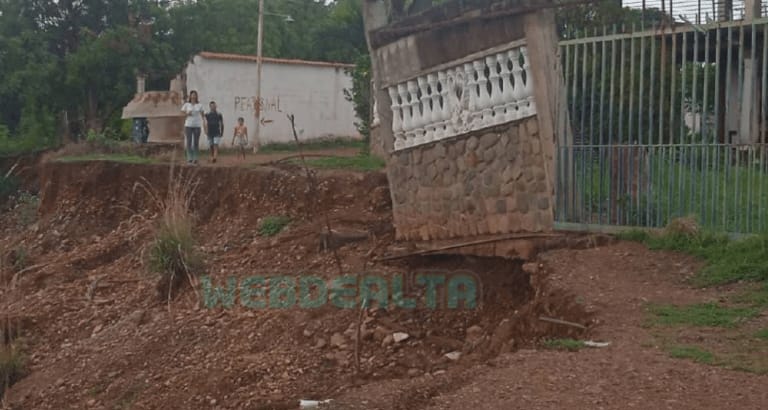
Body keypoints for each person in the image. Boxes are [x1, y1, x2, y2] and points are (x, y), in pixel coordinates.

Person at [181, 90, 204, 165]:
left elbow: (202, 115)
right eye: (192, 95)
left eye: (195, 95)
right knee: (189, 142)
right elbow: (182, 112)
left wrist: (205, 123)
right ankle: (189, 158)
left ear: (196, 96)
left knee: (196, 143)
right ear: (190, 96)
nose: (193, 96)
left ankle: (196, 158)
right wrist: (187, 113)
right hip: (188, 125)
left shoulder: (199, 105)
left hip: (197, 125)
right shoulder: (187, 105)